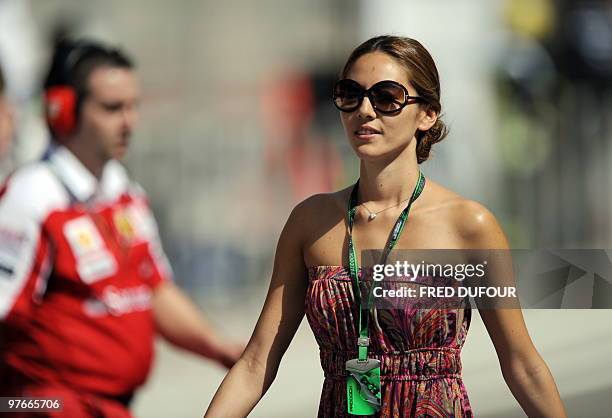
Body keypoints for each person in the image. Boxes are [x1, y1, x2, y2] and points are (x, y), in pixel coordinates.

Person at [204, 35, 567, 417]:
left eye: (386, 97)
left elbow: (522, 364)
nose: (365, 110)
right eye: (350, 94)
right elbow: (255, 363)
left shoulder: (468, 225)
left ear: (427, 113)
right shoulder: (310, 222)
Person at [0, 39, 242, 418]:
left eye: (133, 107)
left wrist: (220, 348)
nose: (129, 121)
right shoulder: (31, 198)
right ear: (62, 110)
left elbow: (154, 290)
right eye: (112, 108)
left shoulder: (125, 193)